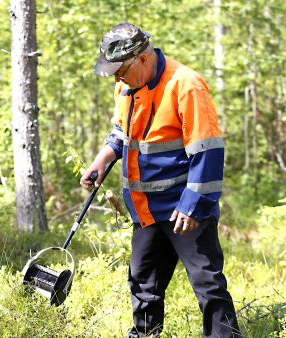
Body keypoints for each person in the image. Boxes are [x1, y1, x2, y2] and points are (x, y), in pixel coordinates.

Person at [80, 23, 241, 338]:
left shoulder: (186, 85)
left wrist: (193, 207)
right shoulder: (126, 85)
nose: (116, 78)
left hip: (185, 211)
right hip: (146, 209)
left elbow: (207, 152)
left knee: (208, 285)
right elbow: (122, 132)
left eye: (121, 71)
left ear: (141, 58)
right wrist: (103, 159)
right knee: (142, 283)